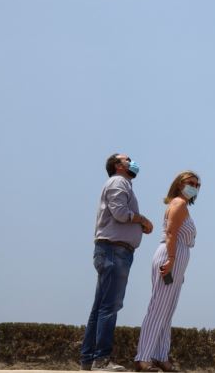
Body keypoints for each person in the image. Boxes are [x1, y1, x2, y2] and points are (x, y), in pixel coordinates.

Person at [81, 153, 154, 372]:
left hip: (112, 251)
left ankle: (88, 359)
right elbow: (121, 213)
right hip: (115, 250)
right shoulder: (118, 182)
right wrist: (142, 220)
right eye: (127, 159)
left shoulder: (123, 184)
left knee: (101, 307)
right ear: (117, 165)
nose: (133, 162)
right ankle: (101, 360)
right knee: (110, 306)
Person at [134, 171, 201, 372]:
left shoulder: (182, 205)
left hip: (177, 259)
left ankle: (160, 356)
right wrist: (172, 260)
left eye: (197, 185)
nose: (194, 187)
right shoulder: (178, 204)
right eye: (190, 183)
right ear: (179, 184)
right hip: (170, 256)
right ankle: (143, 358)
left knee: (167, 311)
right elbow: (171, 233)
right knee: (158, 309)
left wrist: (179, 267)